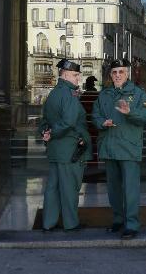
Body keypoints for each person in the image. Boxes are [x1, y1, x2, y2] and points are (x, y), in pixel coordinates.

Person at [91, 58, 146, 239]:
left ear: (127, 74)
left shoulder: (138, 93)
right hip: (109, 146)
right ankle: (118, 219)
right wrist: (103, 122)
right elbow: (95, 115)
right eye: (115, 72)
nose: (118, 75)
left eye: (121, 72)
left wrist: (130, 112)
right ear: (111, 75)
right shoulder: (104, 94)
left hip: (128, 147)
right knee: (113, 188)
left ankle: (132, 223)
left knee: (130, 188)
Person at [39, 58, 92, 232]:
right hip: (70, 150)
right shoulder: (69, 94)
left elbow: (45, 120)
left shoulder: (53, 93)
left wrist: (46, 132)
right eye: (76, 75)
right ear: (66, 74)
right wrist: (53, 132)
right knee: (70, 188)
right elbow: (69, 122)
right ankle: (71, 223)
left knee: (52, 188)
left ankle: (48, 222)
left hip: (55, 150)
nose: (78, 79)